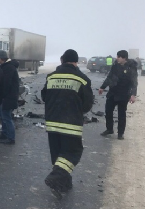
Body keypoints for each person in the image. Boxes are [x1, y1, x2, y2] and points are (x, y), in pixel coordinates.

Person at [41, 49, 93, 199]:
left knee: (57, 154)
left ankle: (64, 183)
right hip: (71, 123)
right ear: (76, 62)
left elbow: (44, 96)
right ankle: (56, 178)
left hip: (52, 122)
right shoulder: (82, 79)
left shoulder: (51, 77)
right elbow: (87, 104)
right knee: (72, 152)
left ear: (62, 60)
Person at [99, 50, 138, 140]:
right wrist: (102, 87)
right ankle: (109, 129)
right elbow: (110, 77)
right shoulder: (115, 65)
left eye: (118, 57)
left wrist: (133, 95)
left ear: (123, 58)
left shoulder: (131, 67)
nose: (117, 58)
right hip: (113, 92)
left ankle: (120, 133)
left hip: (124, 94)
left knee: (121, 114)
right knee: (108, 111)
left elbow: (134, 82)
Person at [0, 50, 19, 145]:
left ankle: (11, 138)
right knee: (2, 115)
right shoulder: (7, 67)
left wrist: (2, 95)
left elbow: (6, 84)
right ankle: (4, 134)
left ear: (1, 58)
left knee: (6, 117)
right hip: (7, 96)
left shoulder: (8, 68)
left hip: (8, 97)